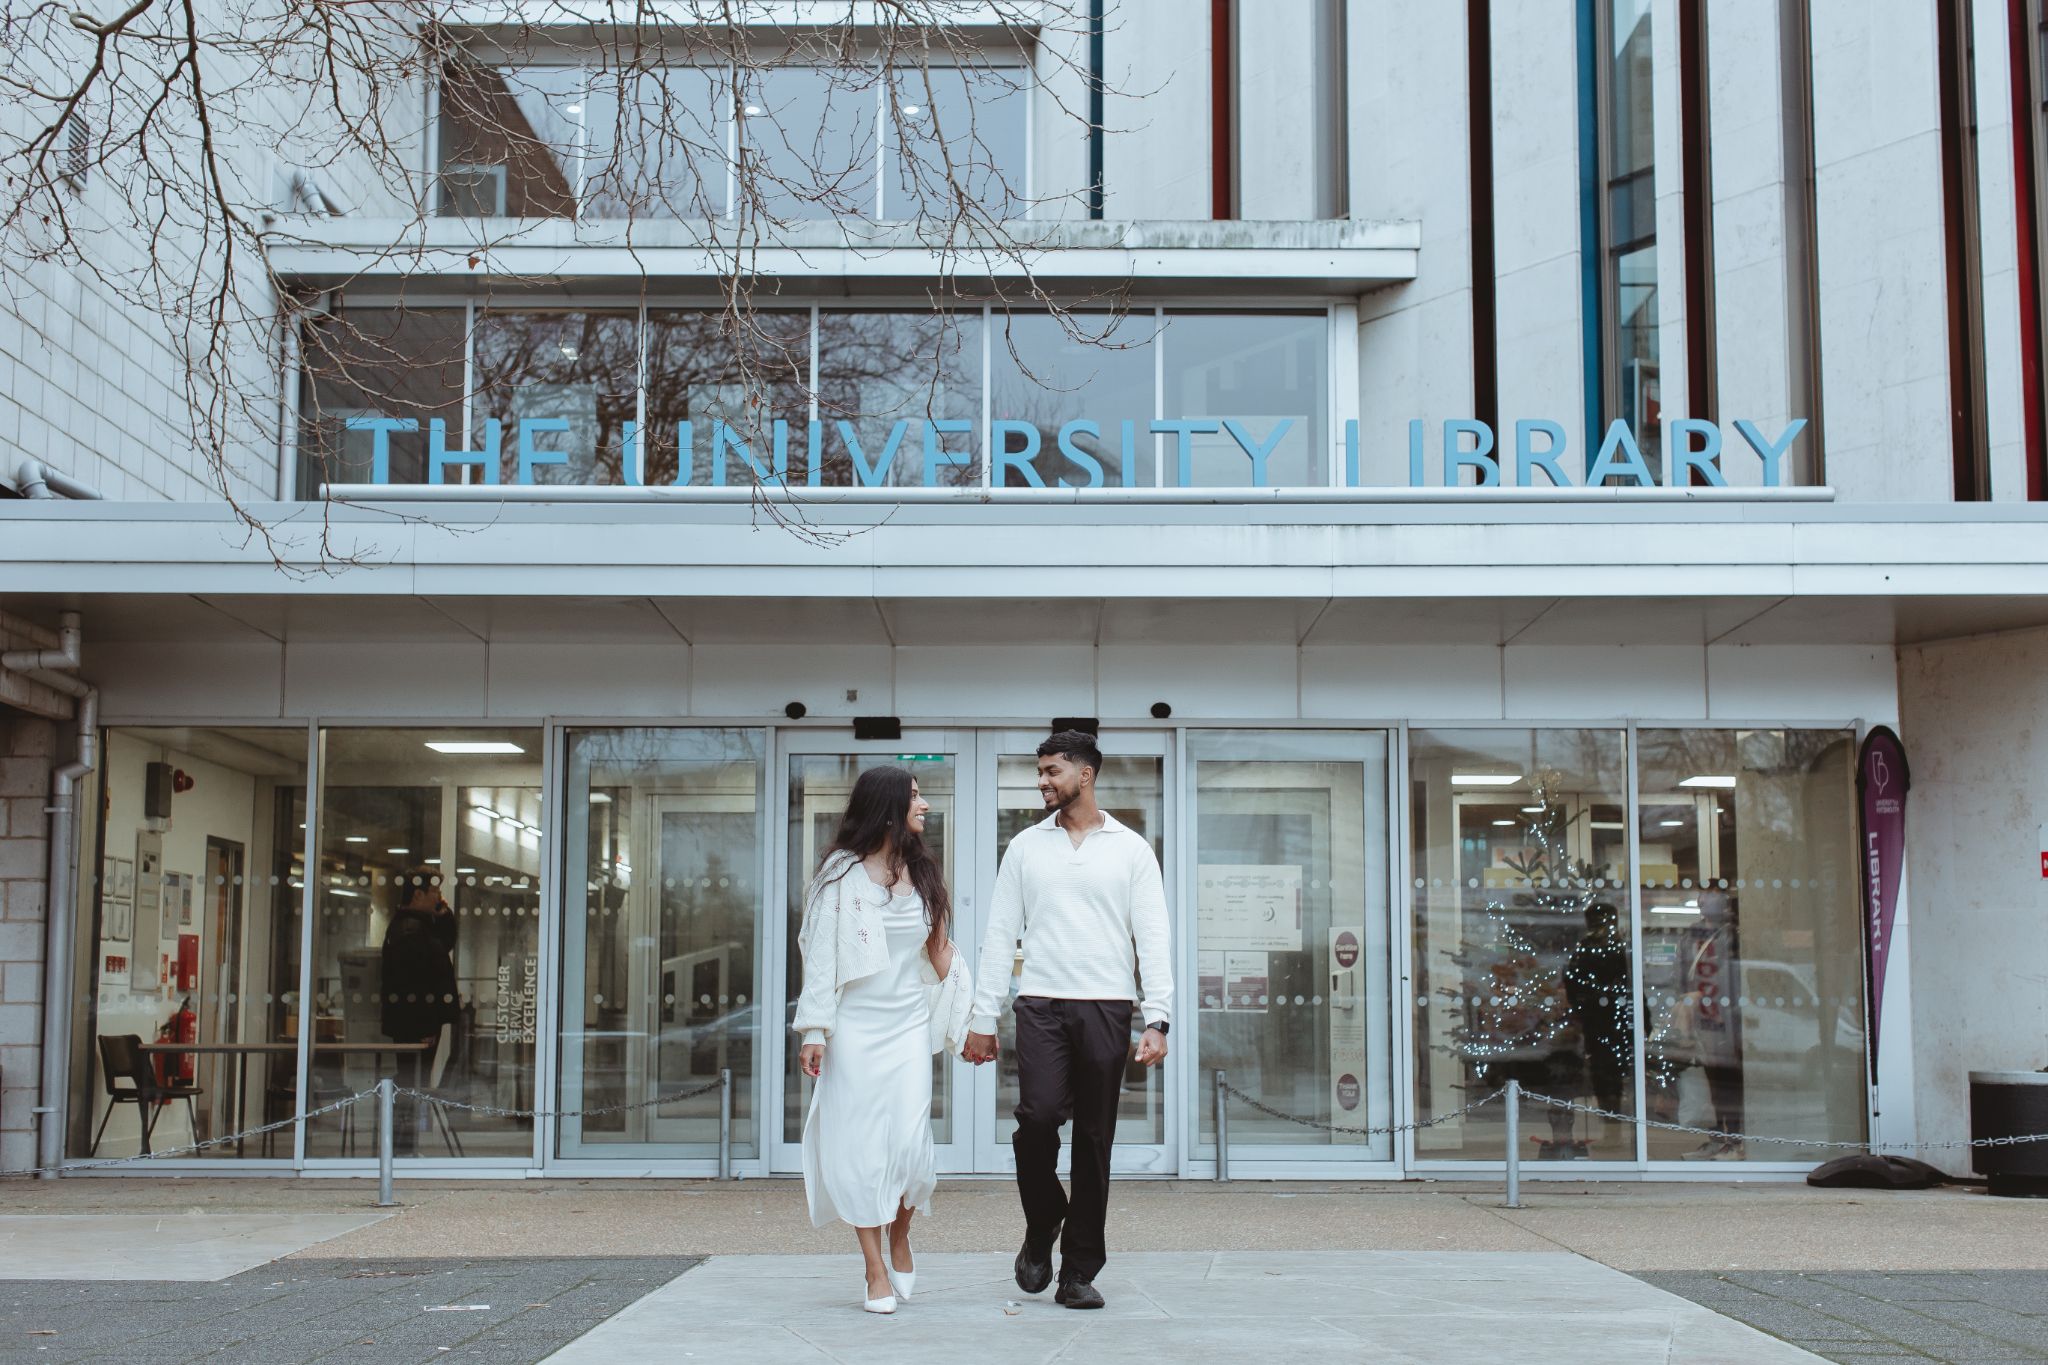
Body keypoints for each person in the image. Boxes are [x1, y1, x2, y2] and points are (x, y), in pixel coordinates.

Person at [963, 731, 1173, 1311]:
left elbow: (1153, 935)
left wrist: (1158, 1016)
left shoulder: (1130, 849)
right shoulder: (1026, 847)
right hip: (1040, 1004)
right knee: (1038, 1118)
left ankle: (1078, 1270)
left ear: (1085, 774)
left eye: (1052, 771)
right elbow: (999, 934)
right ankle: (1044, 1219)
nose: (1042, 781)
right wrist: (984, 1016)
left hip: (1107, 1006)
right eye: (1040, 771)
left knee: (1094, 1142)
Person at [793, 766, 973, 1316]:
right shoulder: (838, 877)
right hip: (854, 1031)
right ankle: (874, 1267)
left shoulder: (922, 875)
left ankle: (901, 1234)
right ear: (890, 806)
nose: (924, 805)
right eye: (916, 797)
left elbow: (941, 953)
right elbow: (820, 960)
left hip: (907, 1030)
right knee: (860, 1150)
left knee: (911, 1147)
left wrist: (974, 1016)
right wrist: (815, 1029)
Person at [380, 871, 459, 1153]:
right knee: (411, 1081)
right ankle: (403, 1147)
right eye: (433, 892)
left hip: (419, 1021)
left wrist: (445, 914)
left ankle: (406, 1146)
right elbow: (413, 981)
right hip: (415, 1024)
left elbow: (444, 945)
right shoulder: (410, 930)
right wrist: (425, 1025)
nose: (438, 896)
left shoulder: (419, 926)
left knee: (415, 1082)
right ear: (418, 894)